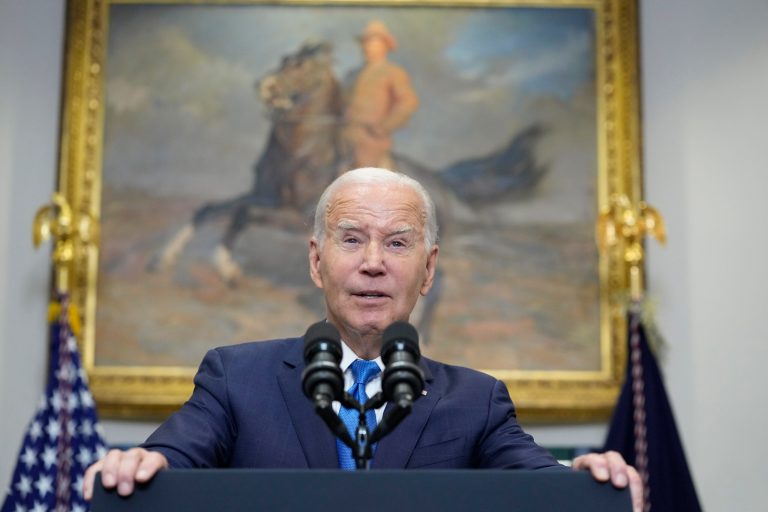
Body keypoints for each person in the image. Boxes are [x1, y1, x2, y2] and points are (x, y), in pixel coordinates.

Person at [84, 167, 642, 511]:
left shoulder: (477, 402)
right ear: (315, 261)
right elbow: (172, 457)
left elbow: (541, 486)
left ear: (428, 269)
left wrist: (585, 483)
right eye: (351, 239)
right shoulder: (236, 379)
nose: (373, 263)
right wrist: (138, 465)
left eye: (397, 243)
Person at [341, 21, 419, 168]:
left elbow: (408, 102)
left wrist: (384, 127)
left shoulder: (393, 72)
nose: (367, 47)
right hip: (344, 139)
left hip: (372, 141)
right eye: (365, 43)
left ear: (385, 46)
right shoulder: (351, 75)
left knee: (366, 175)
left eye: (373, 43)